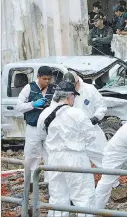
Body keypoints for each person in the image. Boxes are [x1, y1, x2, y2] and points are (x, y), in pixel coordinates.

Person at [36, 81, 96, 217]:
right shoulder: (77, 114)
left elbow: (40, 135)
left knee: (58, 198)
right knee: (83, 197)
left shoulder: (45, 113)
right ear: (70, 96)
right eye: (74, 96)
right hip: (76, 158)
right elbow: (91, 136)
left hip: (54, 159)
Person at [16, 66, 55, 183]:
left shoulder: (54, 89)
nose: (47, 81)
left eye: (49, 79)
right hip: (33, 127)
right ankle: (30, 182)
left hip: (49, 128)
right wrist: (33, 104)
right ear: (38, 77)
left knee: (51, 154)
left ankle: (50, 182)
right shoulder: (29, 88)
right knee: (32, 154)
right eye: (44, 79)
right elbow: (18, 107)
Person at [63, 71, 108, 167]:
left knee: (104, 157)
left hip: (91, 130)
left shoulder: (89, 89)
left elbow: (101, 106)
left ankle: (111, 180)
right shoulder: (63, 90)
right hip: (73, 132)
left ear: (78, 81)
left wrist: (96, 117)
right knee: (76, 162)